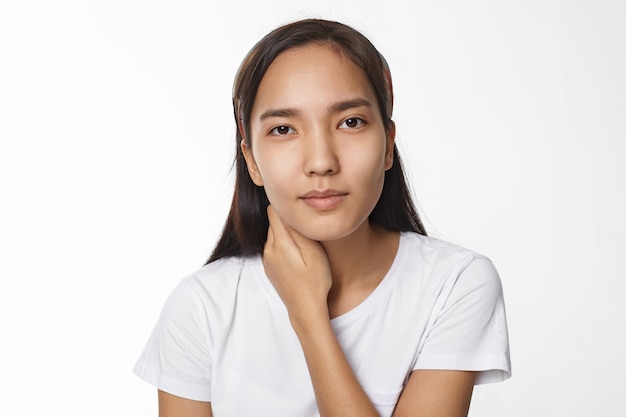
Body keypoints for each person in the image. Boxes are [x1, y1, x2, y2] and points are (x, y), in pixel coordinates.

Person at [133, 18, 511, 417]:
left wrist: (309, 317)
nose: (321, 162)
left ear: (387, 145)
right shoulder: (201, 308)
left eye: (351, 122)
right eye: (283, 129)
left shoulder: (453, 284)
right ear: (252, 162)